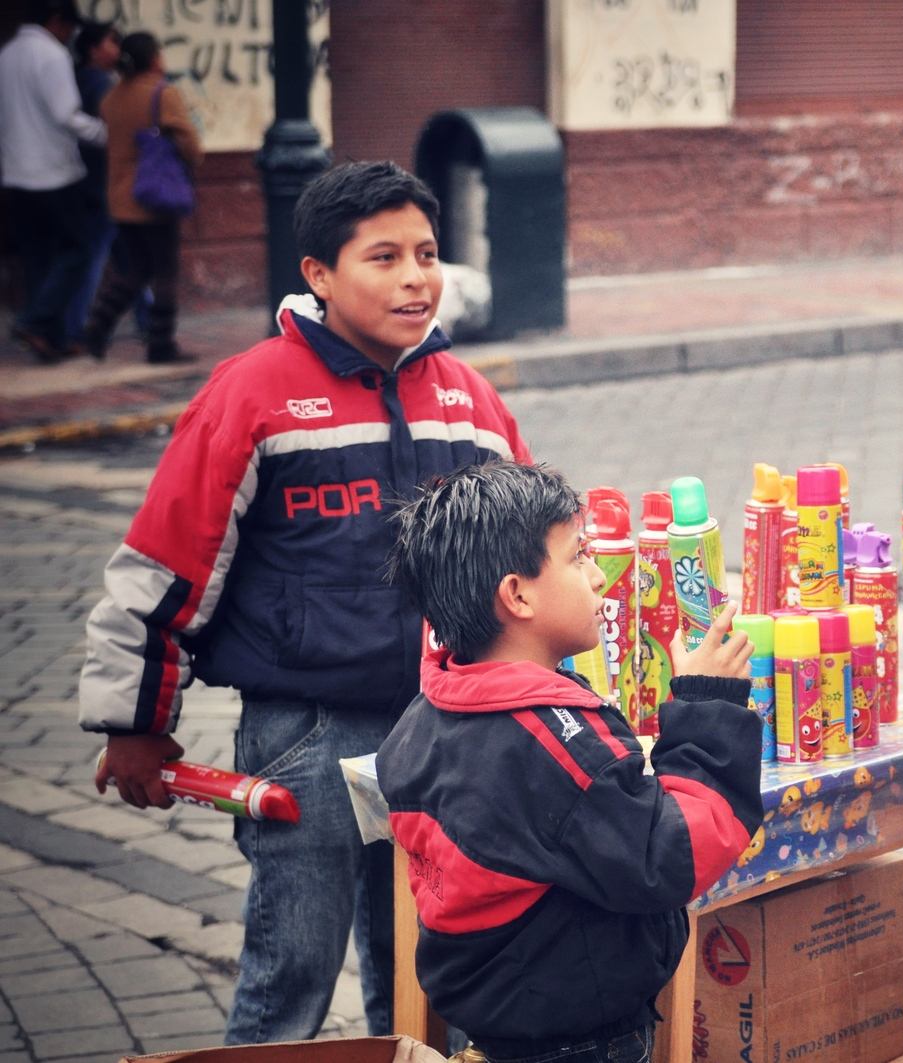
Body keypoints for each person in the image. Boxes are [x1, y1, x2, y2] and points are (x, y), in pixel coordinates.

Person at [78, 160, 533, 1046]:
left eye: (428, 253)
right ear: (319, 276)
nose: (415, 277)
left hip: (439, 732)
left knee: (419, 970)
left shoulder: (465, 397)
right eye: (384, 256)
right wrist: (135, 720)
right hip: (306, 737)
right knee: (292, 970)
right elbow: (171, 560)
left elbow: (529, 556)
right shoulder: (252, 392)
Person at [379, 461, 763, 1063]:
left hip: (503, 1019)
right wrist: (707, 705)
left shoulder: (420, 722)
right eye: (579, 557)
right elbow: (674, 854)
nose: (598, 578)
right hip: (581, 1039)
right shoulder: (552, 744)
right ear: (517, 594)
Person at [80, 31, 201, 364]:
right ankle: (161, 345)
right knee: (164, 270)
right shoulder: (162, 94)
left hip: (120, 197)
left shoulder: (112, 97)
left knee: (132, 269)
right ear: (153, 58)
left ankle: (97, 327)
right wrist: (190, 161)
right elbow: (188, 142)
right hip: (154, 196)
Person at [0, 0, 106, 363]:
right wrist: (106, 133)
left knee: (37, 260)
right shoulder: (51, 54)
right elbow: (67, 114)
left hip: (15, 174)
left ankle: (51, 340)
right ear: (56, 21)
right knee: (77, 252)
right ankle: (34, 321)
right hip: (54, 174)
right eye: (69, 27)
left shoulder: (8, 53)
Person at [65, 19, 128, 347]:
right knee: (101, 255)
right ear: (93, 49)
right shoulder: (102, 83)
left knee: (126, 255)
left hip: (87, 180)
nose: (116, 50)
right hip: (106, 183)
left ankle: (148, 320)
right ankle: (76, 326)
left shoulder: (76, 79)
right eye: (110, 43)